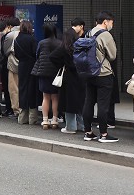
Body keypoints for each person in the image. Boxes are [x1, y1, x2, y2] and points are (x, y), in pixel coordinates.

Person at [81, 12, 119, 143]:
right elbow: (113, 55)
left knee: (89, 102)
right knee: (103, 104)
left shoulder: (88, 33)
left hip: (89, 72)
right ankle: (103, 134)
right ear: (105, 22)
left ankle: (88, 132)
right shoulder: (106, 35)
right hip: (103, 73)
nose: (111, 25)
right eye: (111, 22)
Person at [50, 27, 86, 134]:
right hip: (81, 77)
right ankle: (83, 126)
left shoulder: (64, 47)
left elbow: (52, 56)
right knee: (80, 102)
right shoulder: (81, 46)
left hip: (69, 77)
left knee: (69, 102)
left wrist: (62, 65)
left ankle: (71, 127)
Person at [33, 23, 62, 129]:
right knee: (55, 97)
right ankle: (55, 120)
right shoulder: (60, 43)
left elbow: (37, 56)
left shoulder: (41, 43)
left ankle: (45, 120)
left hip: (43, 72)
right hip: (56, 73)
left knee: (45, 97)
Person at [13, 20, 39, 125]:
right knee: (32, 89)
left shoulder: (17, 39)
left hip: (22, 66)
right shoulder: (32, 39)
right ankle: (32, 117)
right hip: (32, 65)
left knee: (23, 88)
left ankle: (22, 117)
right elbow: (35, 53)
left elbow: (16, 54)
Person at [2, 17, 21, 116]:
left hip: (12, 64)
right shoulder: (26, 32)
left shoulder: (9, 35)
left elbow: (5, 51)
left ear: (9, 26)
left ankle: (16, 109)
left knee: (13, 88)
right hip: (24, 64)